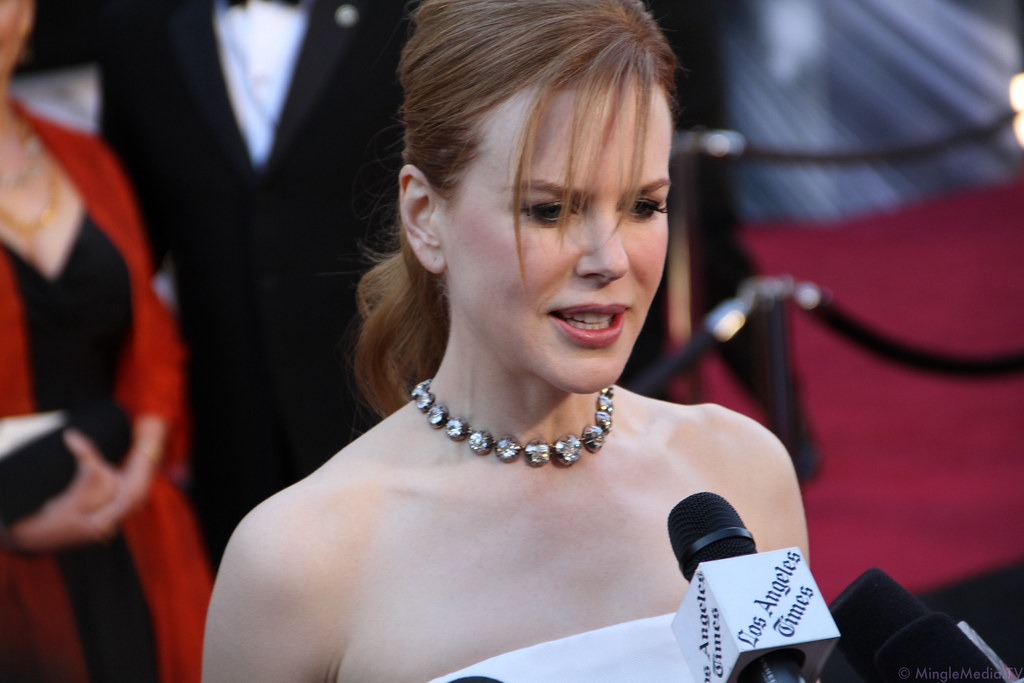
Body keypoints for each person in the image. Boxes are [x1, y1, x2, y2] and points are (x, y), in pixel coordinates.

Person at [203, 1, 809, 681]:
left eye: (644, 205)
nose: (609, 259)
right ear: (424, 217)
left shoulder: (737, 474)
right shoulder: (299, 559)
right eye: (549, 210)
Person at [98, 0, 408, 564]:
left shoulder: (408, 13)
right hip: (227, 436)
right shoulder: (135, 27)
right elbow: (128, 242)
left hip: (388, 407)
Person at [0, 1, 211, 681]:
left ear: (28, 14)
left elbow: (151, 338)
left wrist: (137, 471)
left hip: (134, 526)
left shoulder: (85, 156)